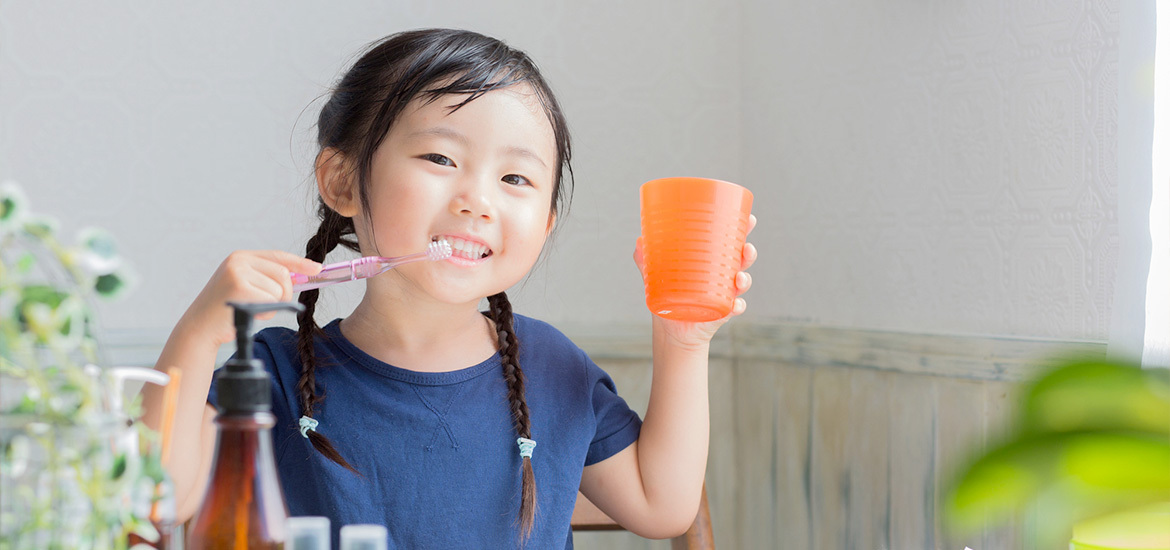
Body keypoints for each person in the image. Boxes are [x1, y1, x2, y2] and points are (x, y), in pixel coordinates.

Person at [143, 28, 757, 548]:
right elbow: (156, 498)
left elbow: (663, 504)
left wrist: (683, 339)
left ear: (544, 225)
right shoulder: (274, 371)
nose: (478, 201)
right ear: (342, 181)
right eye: (440, 159)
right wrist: (198, 334)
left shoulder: (552, 369)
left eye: (516, 177)